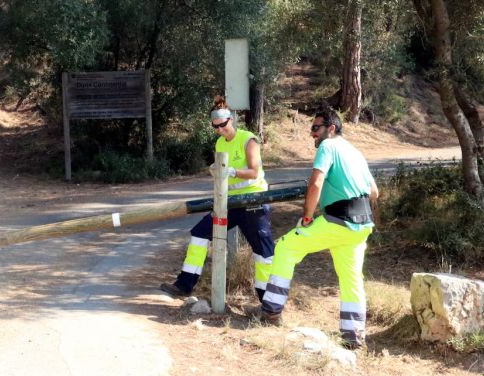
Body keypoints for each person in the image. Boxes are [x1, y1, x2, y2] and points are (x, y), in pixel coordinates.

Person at [249, 109, 379, 350]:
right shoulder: (356, 152)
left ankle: (271, 312)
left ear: (331, 128)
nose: (312, 134)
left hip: (338, 219)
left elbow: (316, 182)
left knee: (286, 247)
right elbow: (374, 192)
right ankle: (353, 336)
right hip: (361, 224)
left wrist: (307, 216)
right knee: (351, 278)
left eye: (316, 128)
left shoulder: (328, 147)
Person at [160, 96, 275, 301]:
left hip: (253, 203)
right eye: (215, 127)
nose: (219, 130)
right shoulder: (220, 143)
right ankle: (184, 285)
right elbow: (221, 176)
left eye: (222, 125)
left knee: (262, 253)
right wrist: (217, 173)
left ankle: (270, 303)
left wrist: (231, 171)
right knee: (199, 234)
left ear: (231, 120)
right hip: (229, 204)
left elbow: (254, 172)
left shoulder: (248, 139)